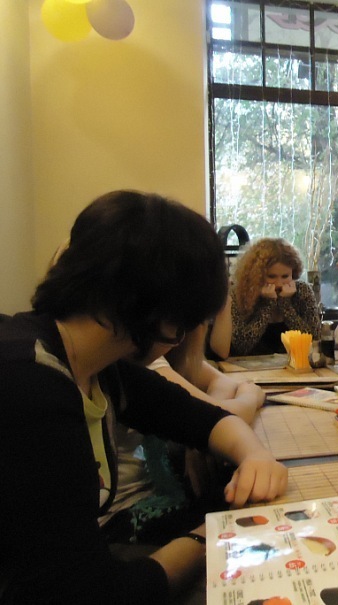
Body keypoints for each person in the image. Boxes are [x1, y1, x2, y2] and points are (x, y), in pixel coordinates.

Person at [0, 190, 288, 604]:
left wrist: (256, 456)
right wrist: (213, 534)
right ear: (159, 313)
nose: (181, 338)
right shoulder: (31, 386)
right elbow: (94, 595)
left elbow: (201, 417)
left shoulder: (96, 364)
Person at [101, 323, 267, 545]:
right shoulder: (146, 357)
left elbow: (220, 387)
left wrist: (198, 429)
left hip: (155, 496)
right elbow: (228, 409)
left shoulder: (161, 350)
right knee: (252, 511)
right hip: (127, 515)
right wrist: (250, 395)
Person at [229, 237, 320, 356]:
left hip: (295, 364)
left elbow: (314, 341)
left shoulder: (303, 292)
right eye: (271, 277)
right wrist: (268, 305)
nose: (279, 284)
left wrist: (285, 305)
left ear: (293, 273)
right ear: (257, 275)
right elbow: (241, 346)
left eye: (285, 276)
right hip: (251, 365)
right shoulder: (240, 294)